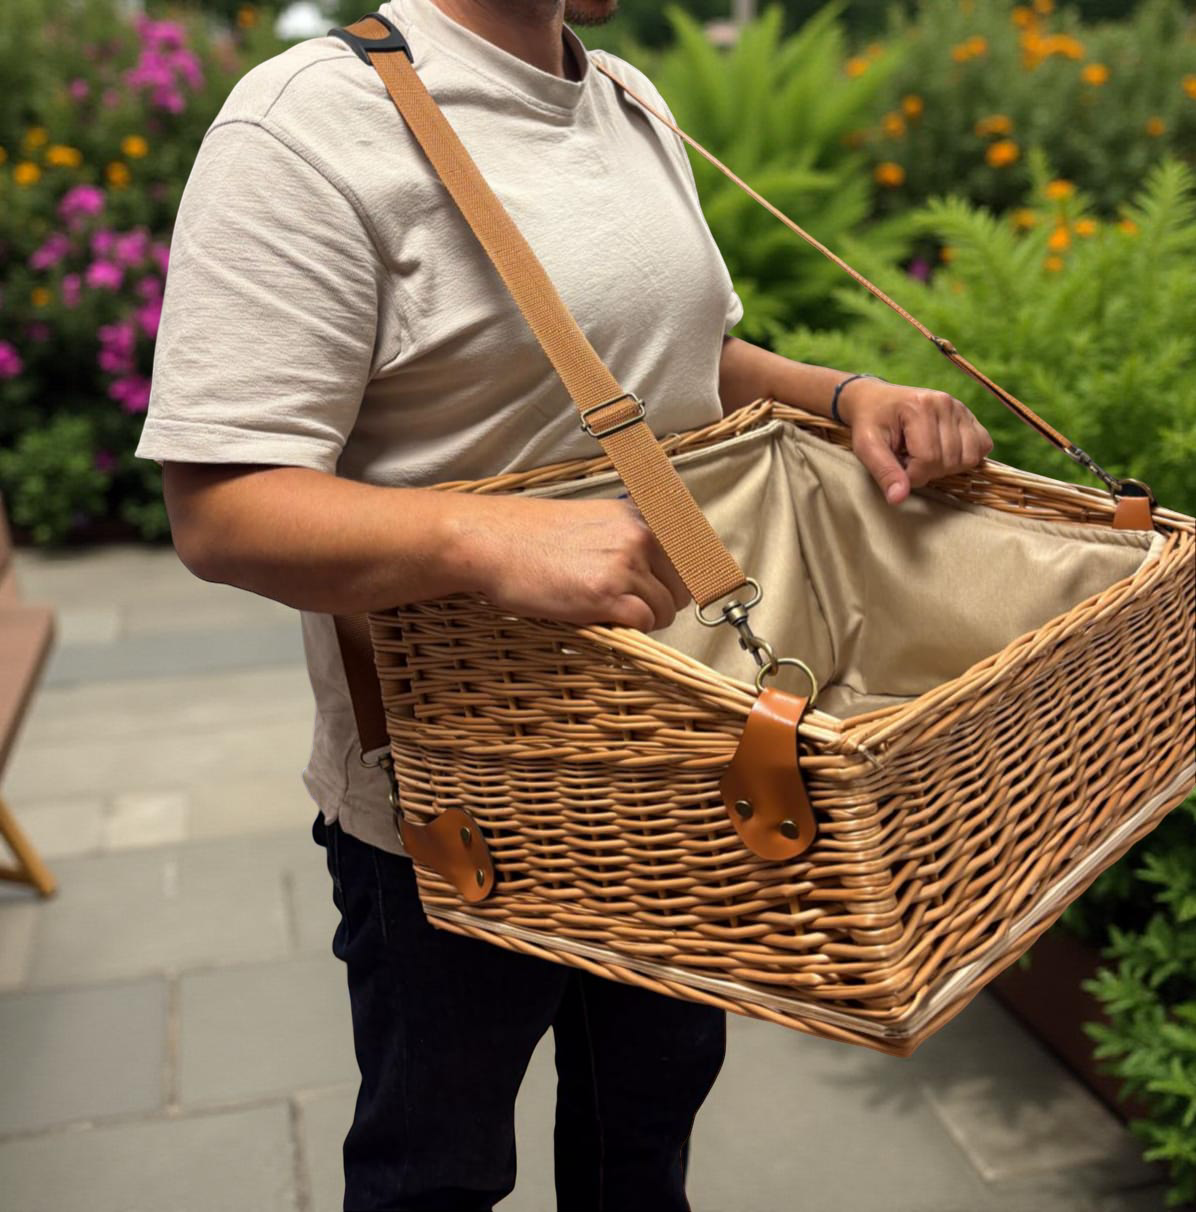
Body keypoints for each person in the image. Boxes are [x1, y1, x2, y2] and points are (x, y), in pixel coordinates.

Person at [135, 1, 993, 1207]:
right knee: (435, 1173)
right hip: (458, 809)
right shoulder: (303, 130)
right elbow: (218, 509)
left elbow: (671, 375)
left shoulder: (625, 94)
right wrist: (477, 535)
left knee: (643, 1149)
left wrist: (840, 393)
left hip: (670, 766)